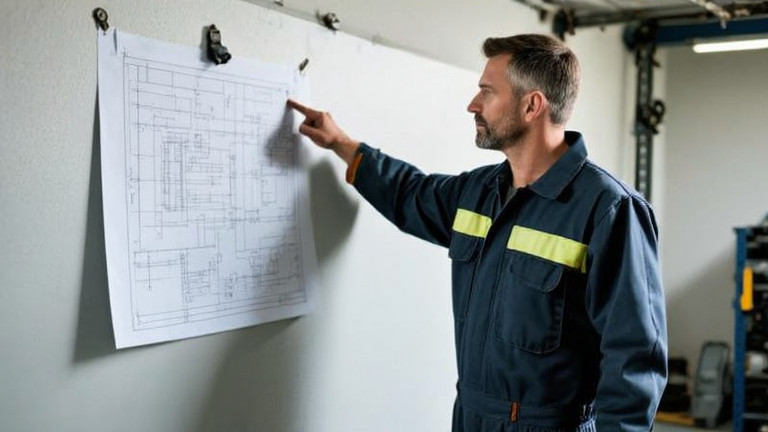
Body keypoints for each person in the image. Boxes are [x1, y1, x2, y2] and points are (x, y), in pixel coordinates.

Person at [288, 34, 667, 431]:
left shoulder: (608, 209)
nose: (473, 104)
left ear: (532, 105)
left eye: (487, 92)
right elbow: (410, 193)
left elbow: (634, 360)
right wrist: (342, 144)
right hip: (471, 418)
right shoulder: (479, 193)